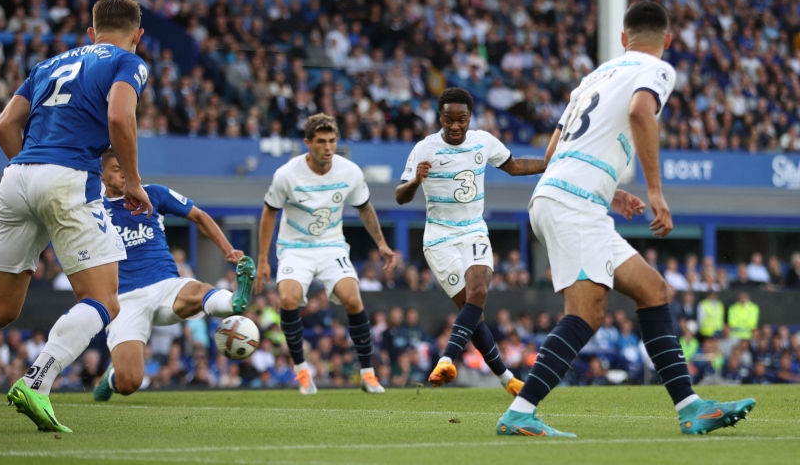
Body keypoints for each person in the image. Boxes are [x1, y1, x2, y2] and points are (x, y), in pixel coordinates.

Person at [496, 2, 754, 438]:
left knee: (652, 289)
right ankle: (520, 412)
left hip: (569, 196)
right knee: (587, 313)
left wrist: (606, 190)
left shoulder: (592, 78)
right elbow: (639, 112)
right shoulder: (658, 69)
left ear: (622, 39)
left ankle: (691, 408)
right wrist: (655, 190)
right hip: (573, 203)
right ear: (667, 40)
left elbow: (551, 154)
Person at [0, 0, 154, 433]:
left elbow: (4, 124)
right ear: (137, 35)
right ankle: (37, 381)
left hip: (18, 174)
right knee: (103, 300)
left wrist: (31, 172)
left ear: (90, 31)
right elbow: (120, 118)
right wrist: (135, 181)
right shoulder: (128, 61)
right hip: (68, 176)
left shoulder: (48, 64)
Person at [395, 88, 545, 394]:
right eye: (448, 119)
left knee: (479, 292)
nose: (455, 125)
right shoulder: (425, 149)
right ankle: (507, 379)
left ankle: (447, 358)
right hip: (439, 238)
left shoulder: (483, 141)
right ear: (440, 117)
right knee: (472, 315)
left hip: (474, 230)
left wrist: (550, 163)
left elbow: (514, 166)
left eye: (461, 119)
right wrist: (415, 181)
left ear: (469, 118)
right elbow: (400, 196)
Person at [92, 148, 256, 401]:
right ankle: (112, 377)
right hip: (124, 299)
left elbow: (199, 217)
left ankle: (233, 301)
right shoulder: (93, 209)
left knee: (199, 290)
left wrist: (229, 250)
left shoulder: (154, 193)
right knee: (129, 382)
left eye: (128, 168)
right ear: (101, 174)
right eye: (116, 169)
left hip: (166, 285)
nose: (124, 174)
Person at [255, 113, 396, 395]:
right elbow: (269, 213)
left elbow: (364, 207)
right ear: (308, 143)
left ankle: (367, 374)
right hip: (295, 248)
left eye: (332, 141)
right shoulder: (286, 175)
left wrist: (381, 243)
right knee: (288, 298)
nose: (328, 147)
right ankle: (302, 372)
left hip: (331, 245)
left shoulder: (350, 172)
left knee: (353, 299)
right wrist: (262, 260)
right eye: (321, 141)